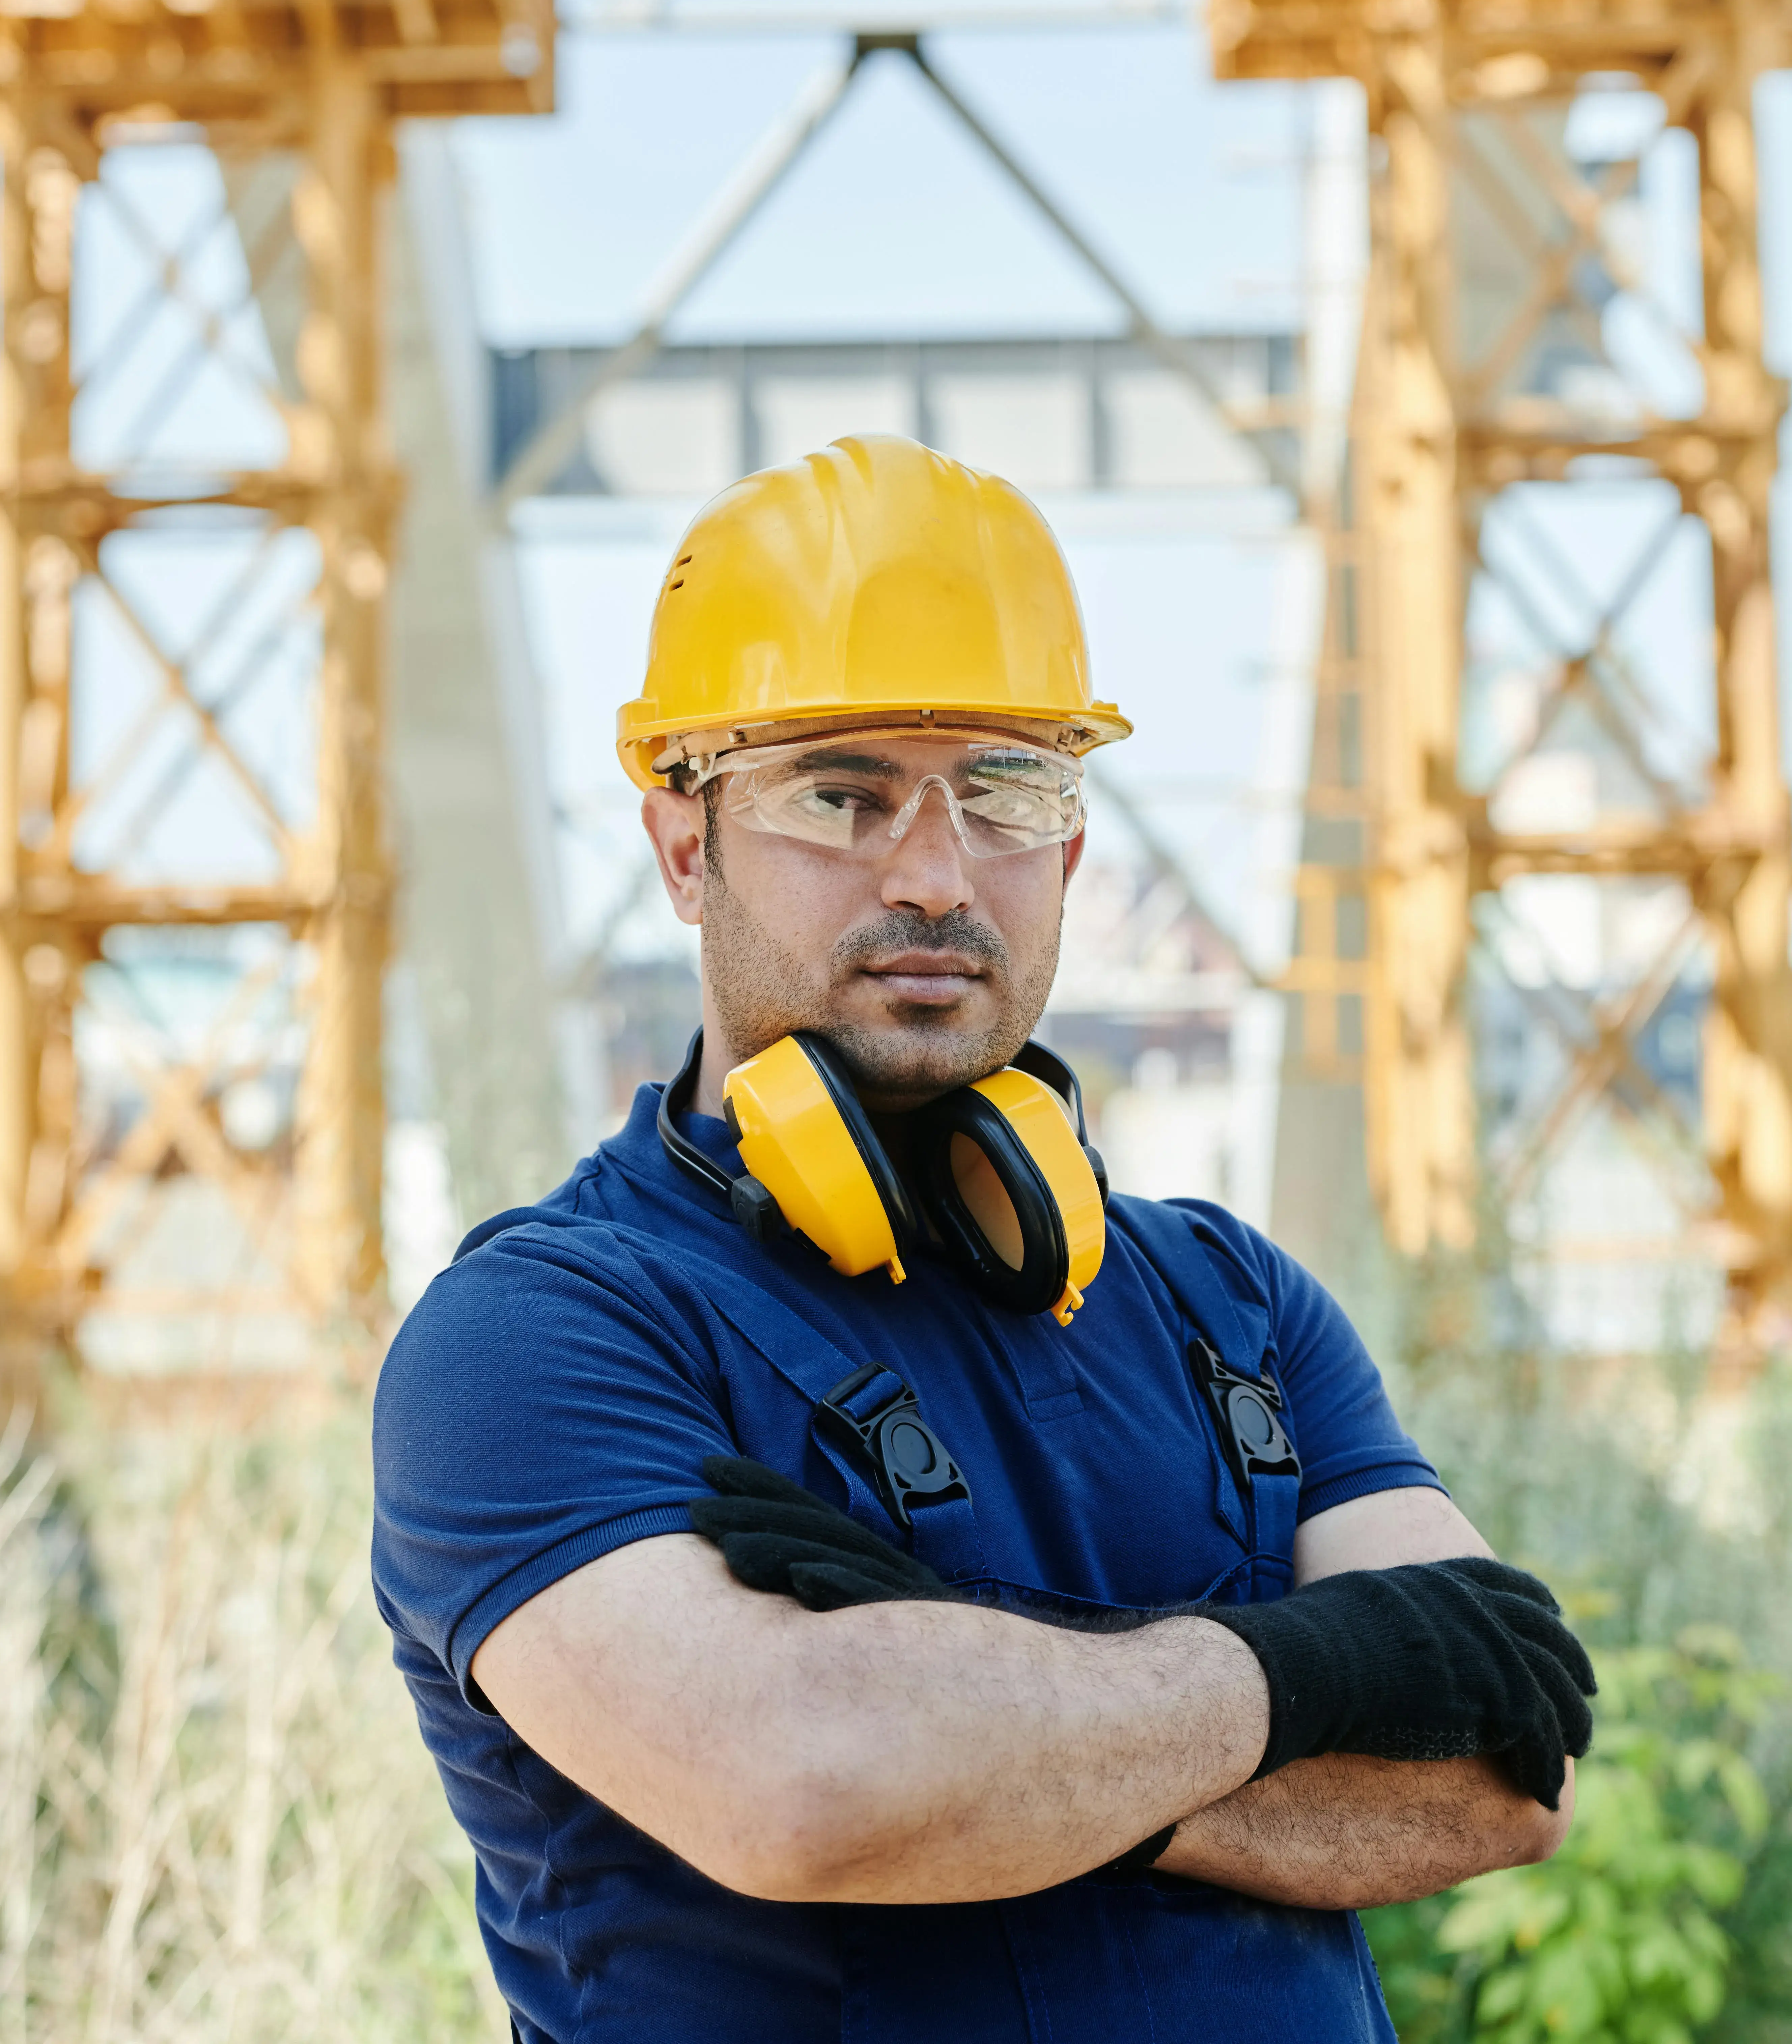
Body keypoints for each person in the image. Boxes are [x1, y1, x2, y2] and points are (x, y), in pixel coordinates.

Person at [372, 434, 1593, 2044]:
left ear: (1072, 851)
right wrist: (1325, 1672)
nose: (938, 874)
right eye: (840, 792)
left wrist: (979, 1711)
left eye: (1007, 790)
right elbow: (808, 1790)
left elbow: (1508, 1777)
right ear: (686, 846)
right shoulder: (540, 1335)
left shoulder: (1235, 1304)